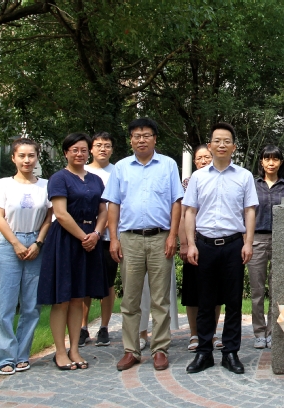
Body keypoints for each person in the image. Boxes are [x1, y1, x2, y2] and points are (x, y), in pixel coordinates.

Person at [104, 118, 184, 372]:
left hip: (161, 237)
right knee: (130, 299)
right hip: (130, 239)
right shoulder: (121, 167)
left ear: (155, 139)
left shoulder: (168, 165)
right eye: (137, 136)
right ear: (130, 140)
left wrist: (173, 236)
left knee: (160, 298)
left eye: (146, 135)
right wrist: (114, 238)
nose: (141, 140)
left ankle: (160, 349)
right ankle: (131, 350)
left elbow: (176, 202)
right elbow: (113, 204)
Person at [183, 122, 258, 374]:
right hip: (204, 245)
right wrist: (191, 244)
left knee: (233, 302)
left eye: (227, 141)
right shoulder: (198, 177)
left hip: (233, 245)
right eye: (217, 141)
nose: (222, 145)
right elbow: (190, 211)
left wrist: (248, 243)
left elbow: (249, 211)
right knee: (205, 301)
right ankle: (204, 352)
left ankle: (230, 353)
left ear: (234, 147)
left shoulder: (244, 176)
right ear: (210, 145)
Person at [37, 132, 109, 371]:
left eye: (83, 150)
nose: (79, 154)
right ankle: (60, 352)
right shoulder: (59, 178)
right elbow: (60, 213)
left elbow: (103, 211)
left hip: (90, 240)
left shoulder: (96, 180)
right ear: (66, 152)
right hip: (66, 241)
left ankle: (75, 349)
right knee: (62, 299)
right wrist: (83, 237)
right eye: (74, 150)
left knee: (78, 297)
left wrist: (96, 234)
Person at [0, 138, 52, 375]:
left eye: (31, 155)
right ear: (13, 158)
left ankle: (22, 354)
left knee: (31, 306)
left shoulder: (45, 185)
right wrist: (15, 243)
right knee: (4, 306)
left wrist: (38, 243)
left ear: (37, 158)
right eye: (22, 156)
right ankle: (5, 358)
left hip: (36, 244)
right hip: (9, 244)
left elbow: (49, 217)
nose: (27, 160)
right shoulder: (3, 185)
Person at [247, 145, 284, 349]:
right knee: (257, 290)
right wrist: (247, 241)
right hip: (257, 239)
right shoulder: (253, 184)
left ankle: (272, 331)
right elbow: (246, 212)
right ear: (261, 161)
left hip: (280, 240)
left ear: (281, 162)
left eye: (275, 159)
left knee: (277, 289)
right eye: (267, 159)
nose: (271, 163)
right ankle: (259, 332)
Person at [178, 144, 223, 352]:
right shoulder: (188, 182)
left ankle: (212, 333)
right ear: (194, 161)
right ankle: (194, 334)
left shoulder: (220, 179)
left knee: (216, 291)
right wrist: (185, 243)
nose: (203, 161)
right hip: (194, 243)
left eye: (206, 157)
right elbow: (183, 214)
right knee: (193, 291)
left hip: (215, 242)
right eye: (199, 158)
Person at [78, 132, 116, 347]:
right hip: (84, 237)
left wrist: (105, 227)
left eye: (107, 145)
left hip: (110, 237)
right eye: (99, 145)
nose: (103, 149)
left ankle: (104, 327)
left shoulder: (117, 172)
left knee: (108, 283)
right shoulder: (81, 171)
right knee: (84, 282)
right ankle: (83, 327)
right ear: (91, 149)